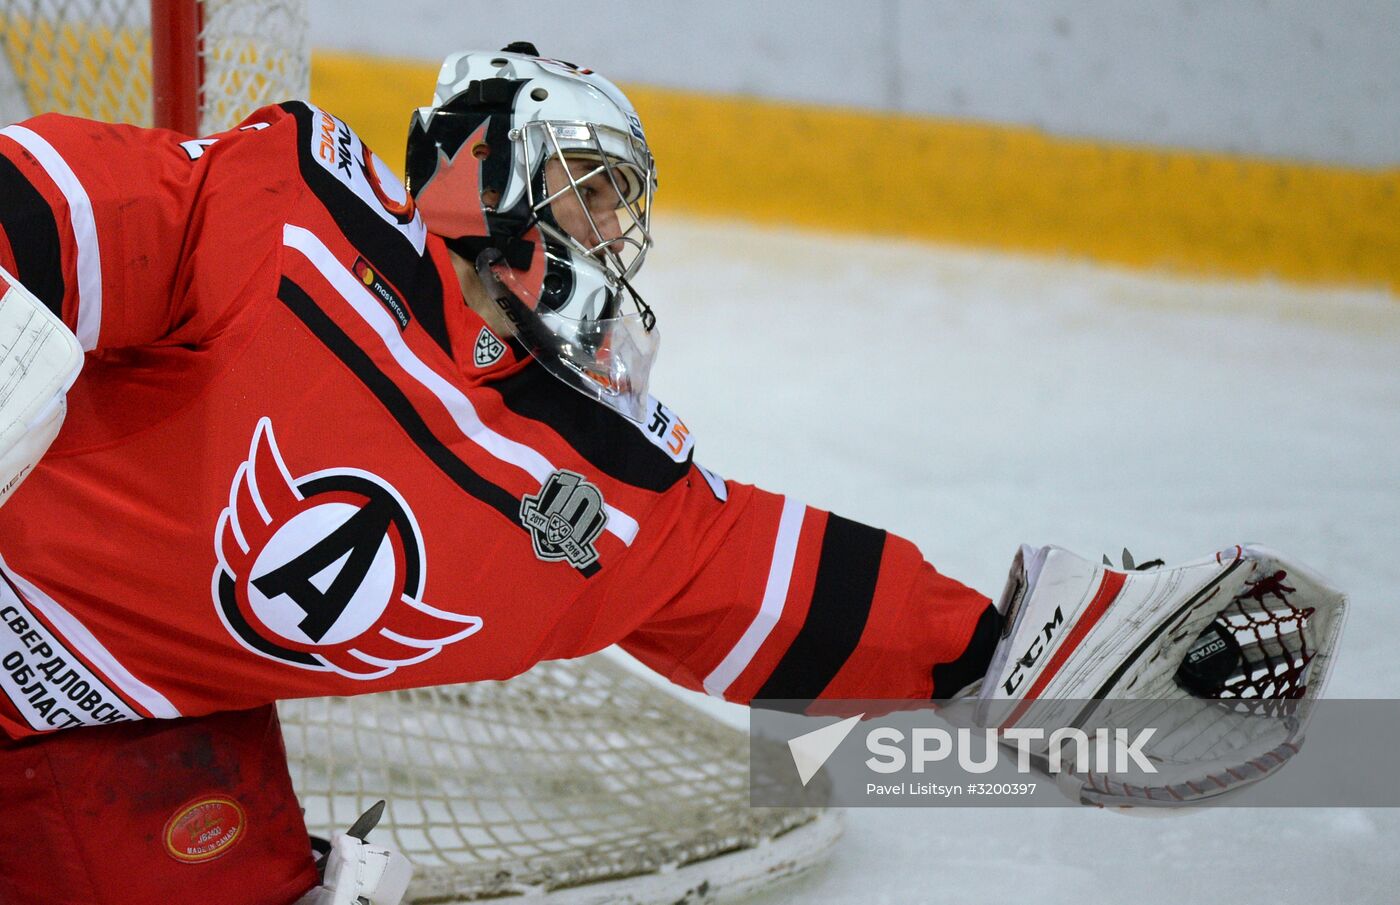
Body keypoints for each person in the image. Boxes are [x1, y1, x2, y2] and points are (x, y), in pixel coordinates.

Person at [0, 42, 1343, 905]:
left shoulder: (590, 498)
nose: (610, 237)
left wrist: (997, 651)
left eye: (616, 209)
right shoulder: (285, 214)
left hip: (100, 728)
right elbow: (70, 202)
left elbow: (759, 578)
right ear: (484, 169)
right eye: (587, 192)